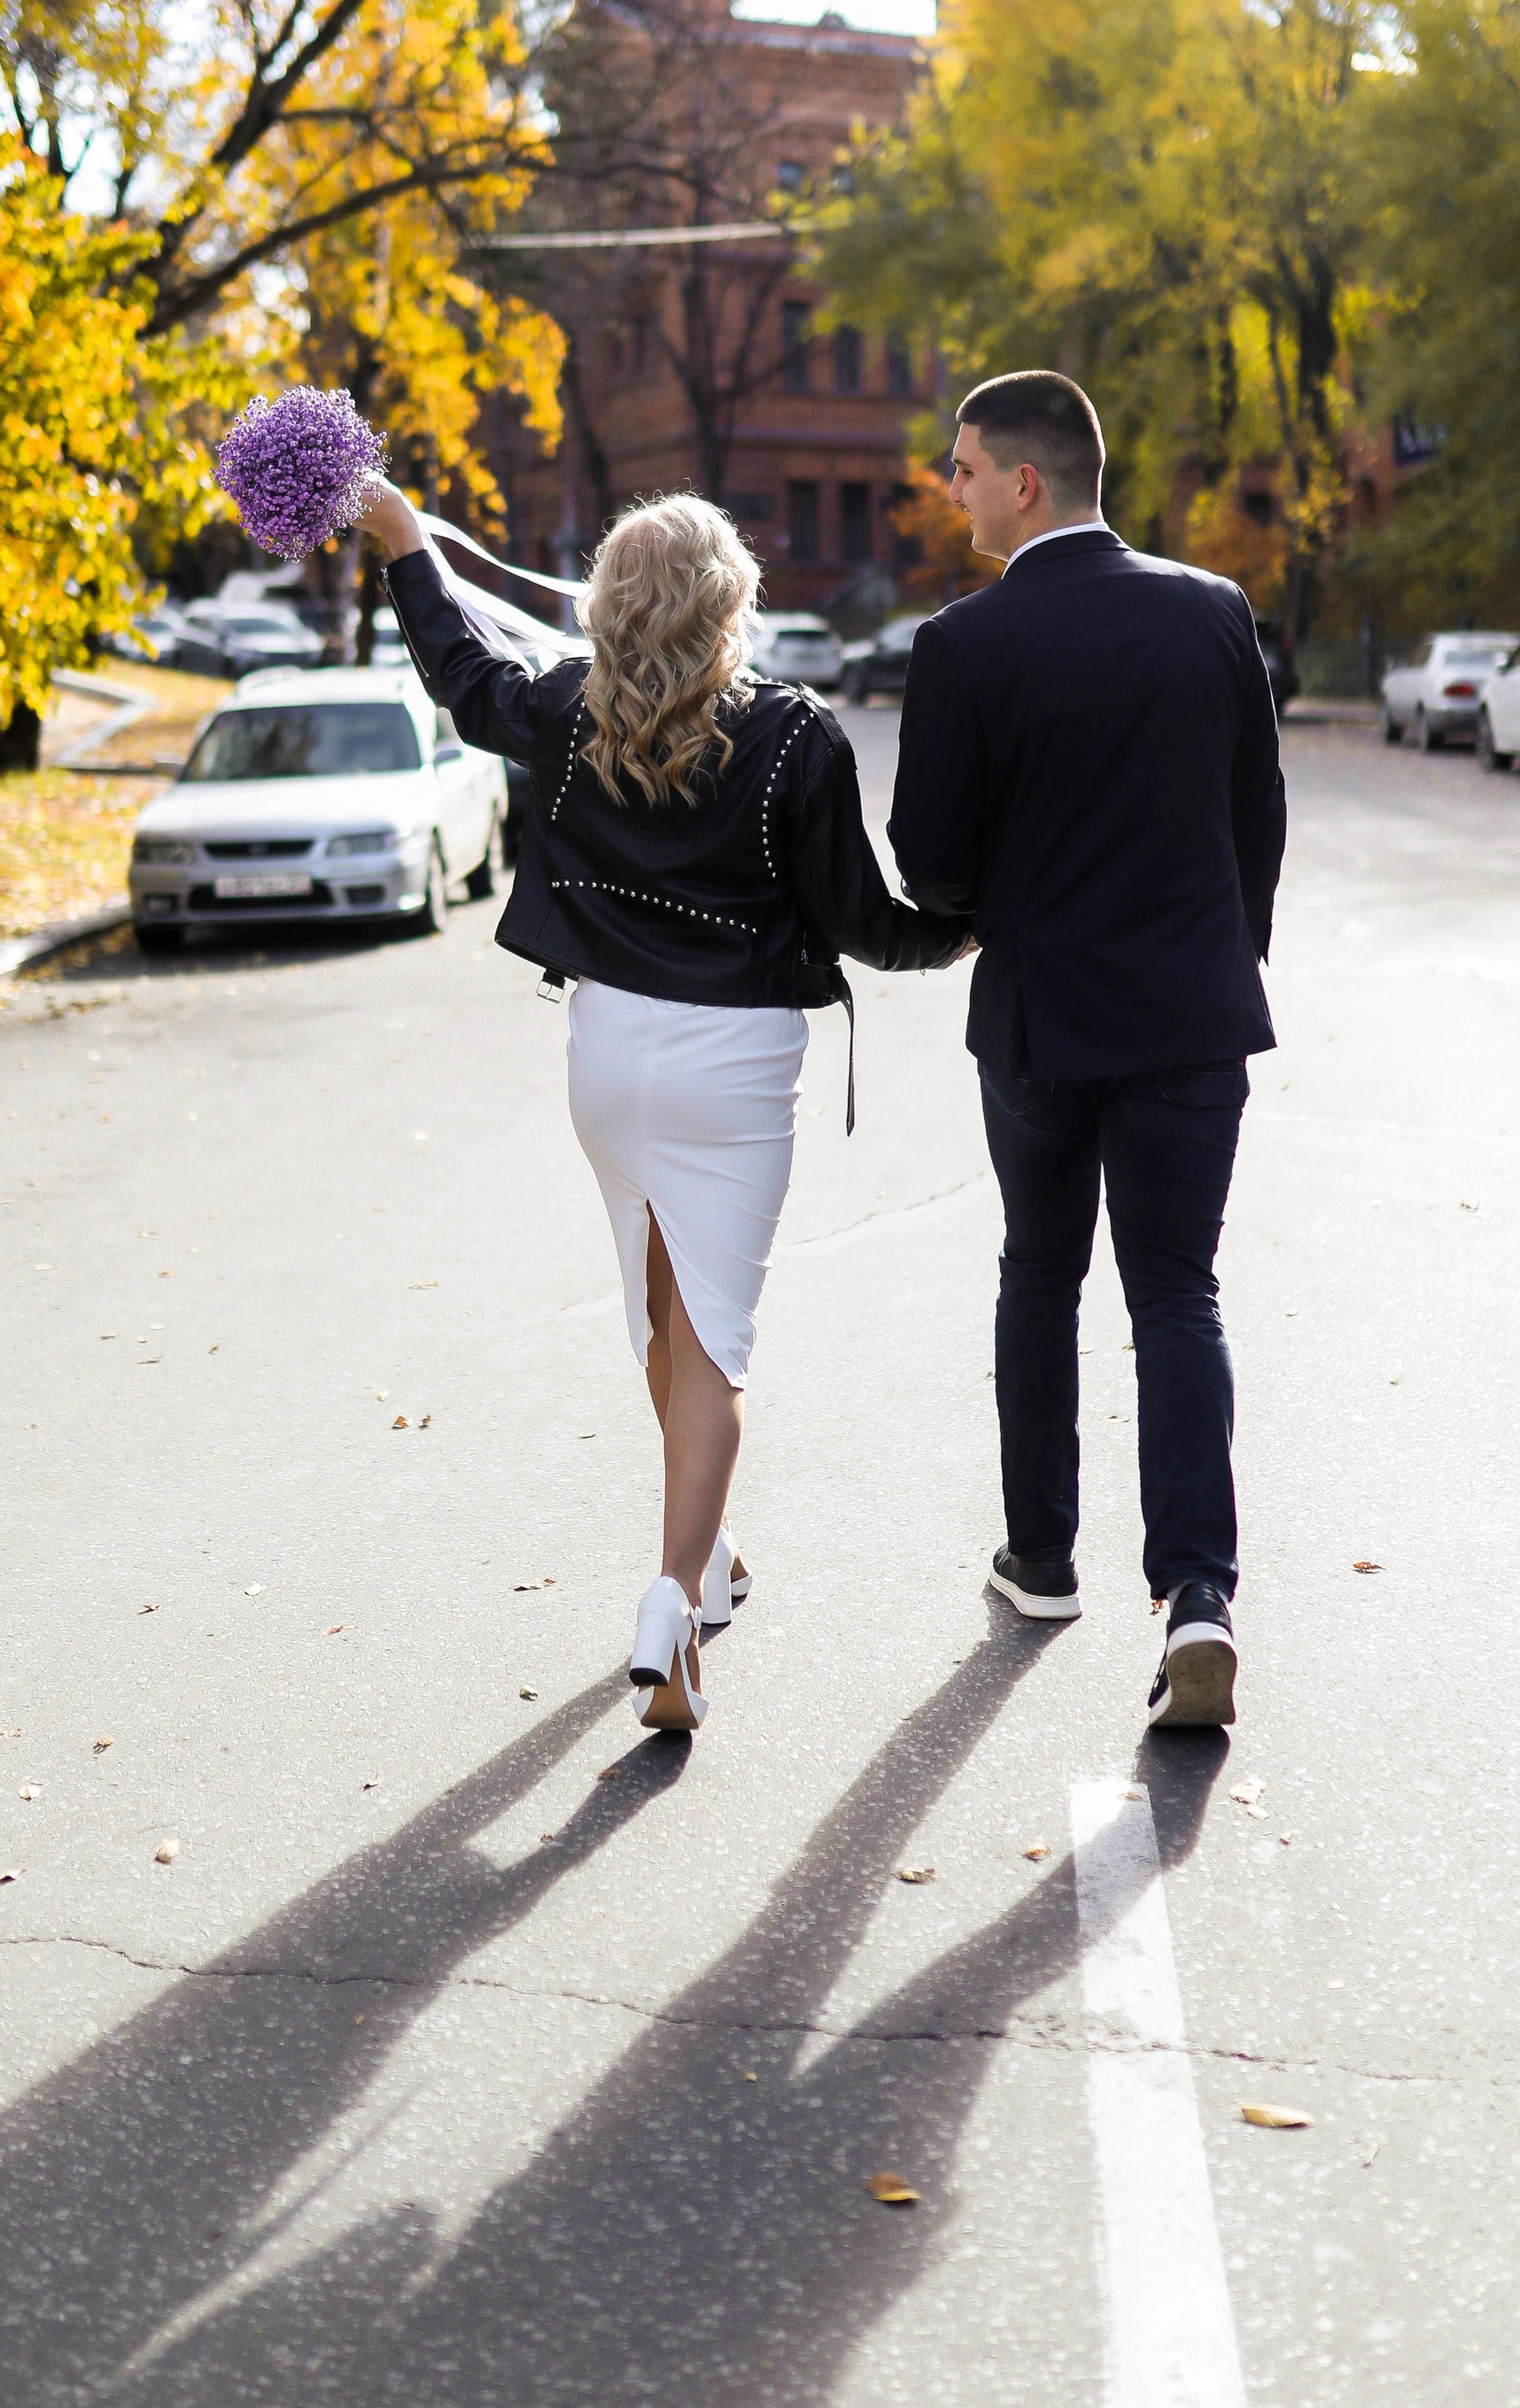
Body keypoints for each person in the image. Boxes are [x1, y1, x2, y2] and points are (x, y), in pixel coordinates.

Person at [357, 481, 972, 1734]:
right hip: (735, 1066)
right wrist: (975, 924)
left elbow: (463, 676)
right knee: (716, 1340)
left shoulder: (568, 715)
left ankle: (713, 1553)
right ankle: (673, 1602)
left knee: (657, 1310)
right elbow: (865, 926)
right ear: (730, 600)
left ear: (609, 606)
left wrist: (406, 546)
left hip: (605, 1053)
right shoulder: (797, 737)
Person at [888, 370, 1285, 1729]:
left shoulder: (963, 647)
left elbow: (933, 874)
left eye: (962, 466)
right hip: (1188, 1018)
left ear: (1026, 484)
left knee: (1039, 1275)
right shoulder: (1212, 613)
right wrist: (1223, 964)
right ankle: (1199, 1600)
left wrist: (985, 910)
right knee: (1178, 1293)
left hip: (1040, 1027)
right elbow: (1258, 827)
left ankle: (1042, 1559)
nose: (948, 486)